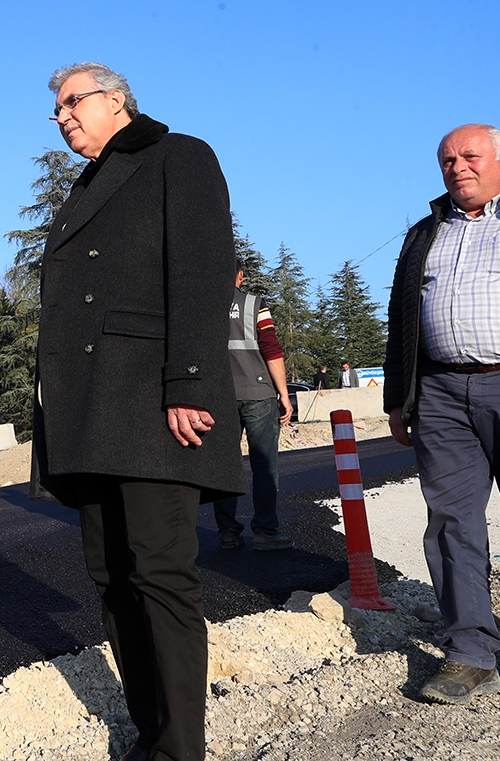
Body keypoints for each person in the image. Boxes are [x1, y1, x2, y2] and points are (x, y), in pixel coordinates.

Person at [31, 62, 241, 761]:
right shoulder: (88, 184)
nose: (61, 116)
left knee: (160, 575)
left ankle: (182, 748)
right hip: (94, 414)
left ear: (116, 101)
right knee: (113, 578)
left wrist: (188, 383)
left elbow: (203, 270)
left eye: (72, 102)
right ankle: (150, 736)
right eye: (55, 108)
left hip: (152, 403)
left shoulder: (177, 155)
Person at [384, 123, 500, 707]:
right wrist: (397, 397)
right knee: (451, 524)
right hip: (441, 395)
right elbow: (402, 317)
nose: (458, 167)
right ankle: (471, 652)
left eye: (470, 156)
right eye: (447, 160)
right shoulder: (425, 233)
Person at [215, 269, 295, 551]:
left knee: (224, 466)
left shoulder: (204, 304)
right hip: (258, 393)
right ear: (240, 275)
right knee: (264, 466)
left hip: (219, 396)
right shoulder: (254, 304)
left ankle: (228, 532)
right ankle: (264, 531)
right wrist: (284, 395)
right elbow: (271, 350)